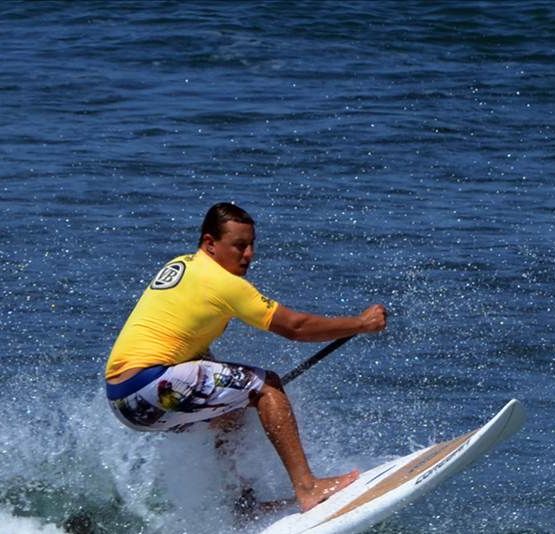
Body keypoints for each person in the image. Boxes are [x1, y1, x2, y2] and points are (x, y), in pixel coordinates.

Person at [105, 202, 386, 512]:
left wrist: (232, 387)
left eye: (252, 245)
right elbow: (295, 327)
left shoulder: (181, 266)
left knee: (232, 410)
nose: (249, 254)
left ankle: (243, 506)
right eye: (239, 246)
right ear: (210, 243)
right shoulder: (223, 283)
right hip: (153, 385)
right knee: (267, 386)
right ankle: (308, 488)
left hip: (126, 403)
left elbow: (184, 344)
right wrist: (361, 324)